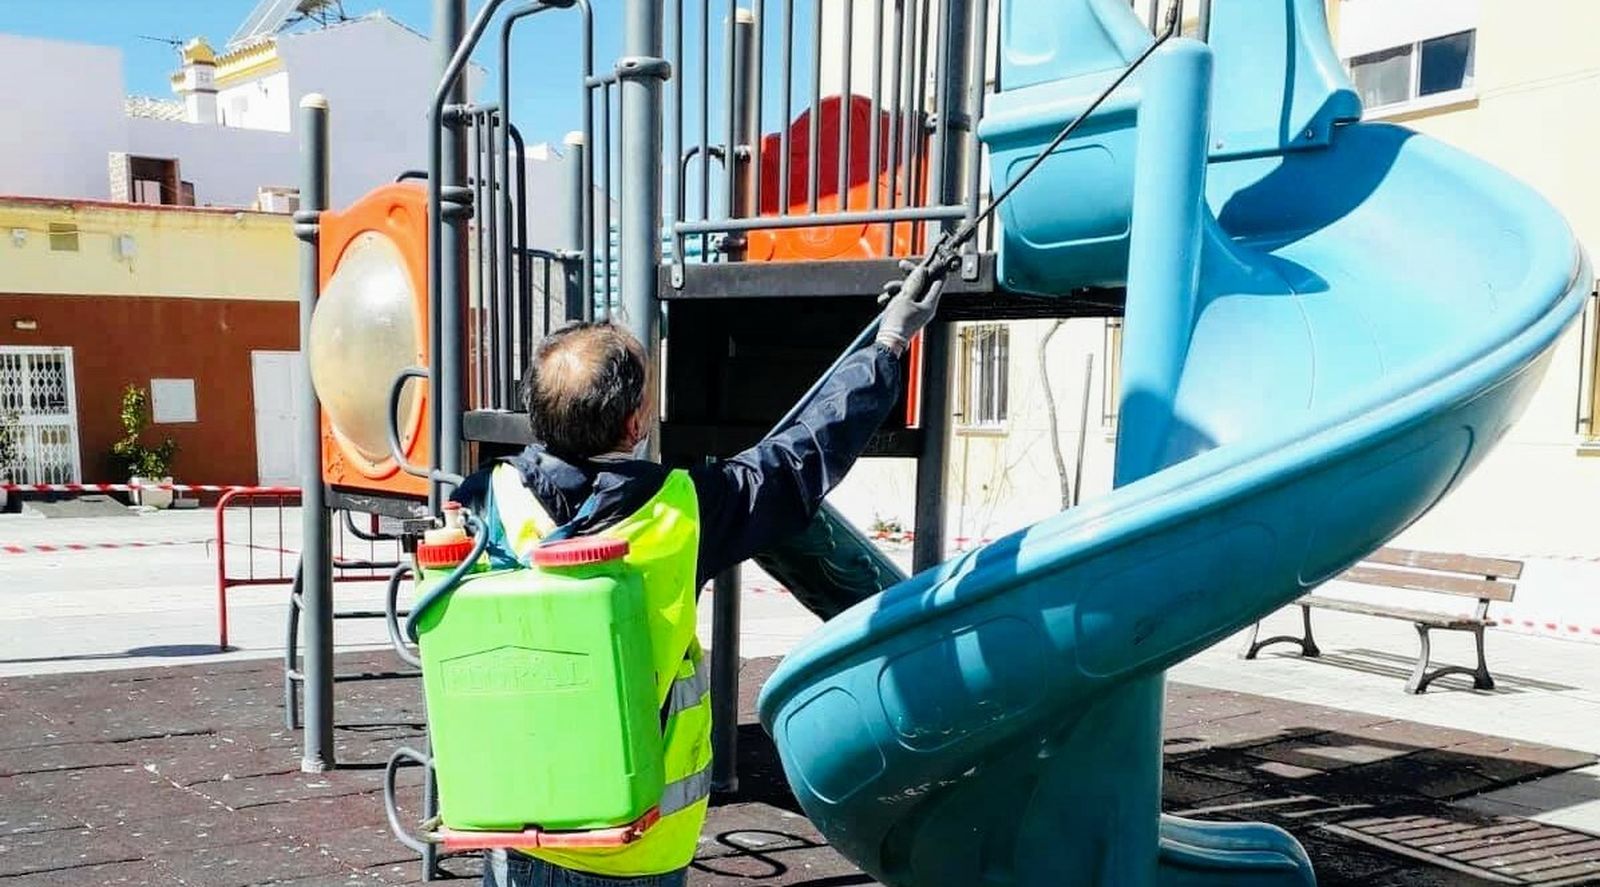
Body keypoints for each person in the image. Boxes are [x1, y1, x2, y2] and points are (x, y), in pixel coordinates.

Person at [456, 264, 946, 887]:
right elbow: (800, 457)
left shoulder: (486, 502)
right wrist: (889, 343)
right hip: (633, 840)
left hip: (517, 823)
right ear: (634, 425)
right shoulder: (681, 511)